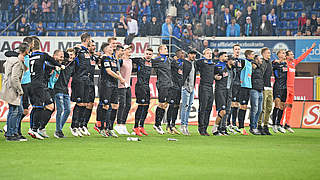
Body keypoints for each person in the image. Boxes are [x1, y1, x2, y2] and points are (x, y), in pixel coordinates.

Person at [28, 38, 63, 140]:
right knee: (43, 106)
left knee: (38, 107)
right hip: (39, 84)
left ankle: (35, 128)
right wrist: (60, 66)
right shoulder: (43, 55)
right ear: (40, 45)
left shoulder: (29, 56)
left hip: (29, 83)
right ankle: (35, 129)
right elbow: (52, 61)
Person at [281, 43, 316, 133]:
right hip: (286, 87)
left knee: (290, 106)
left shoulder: (293, 63)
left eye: (293, 54)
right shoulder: (285, 63)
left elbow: (302, 57)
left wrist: (310, 49)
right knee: (284, 105)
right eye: (291, 54)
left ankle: (287, 124)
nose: (293, 55)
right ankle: (280, 123)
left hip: (292, 87)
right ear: (287, 56)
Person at [0, 43, 28, 141]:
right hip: (13, 89)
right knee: (15, 111)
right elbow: (14, 78)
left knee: (16, 111)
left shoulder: (10, 60)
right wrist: (20, 90)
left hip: (8, 87)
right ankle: (11, 134)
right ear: (26, 51)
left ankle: (13, 132)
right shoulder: (17, 62)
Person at [97, 43, 125, 137]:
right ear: (105, 49)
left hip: (114, 85)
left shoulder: (113, 59)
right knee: (105, 106)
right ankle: (102, 129)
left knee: (115, 106)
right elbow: (109, 71)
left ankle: (110, 128)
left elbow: (117, 71)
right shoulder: (105, 58)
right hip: (106, 84)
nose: (111, 48)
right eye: (109, 47)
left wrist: (121, 79)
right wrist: (120, 78)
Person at [70, 33, 91, 137]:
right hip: (79, 79)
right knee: (79, 103)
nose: (90, 42)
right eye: (90, 40)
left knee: (85, 104)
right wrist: (75, 48)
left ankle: (78, 125)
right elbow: (70, 54)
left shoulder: (87, 51)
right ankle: (73, 126)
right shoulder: (78, 50)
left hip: (86, 79)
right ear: (86, 39)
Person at [54, 48, 75, 138]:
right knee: (60, 109)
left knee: (67, 110)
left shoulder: (72, 65)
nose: (70, 56)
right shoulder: (62, 63)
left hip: (65, 89)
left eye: (72, 54)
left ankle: (59, 129)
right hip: (58, 88)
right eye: (68, 54)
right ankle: (58, 131)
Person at [132, 48, 154, 136]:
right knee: (141, 106)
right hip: (140, 86)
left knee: (146, 106)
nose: (148, 55)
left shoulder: (152, 63)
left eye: (150, 54)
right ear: (144, 54)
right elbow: (129, 59)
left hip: (147, 86)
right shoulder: (139, 61)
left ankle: (141, 126)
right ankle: (135, 126)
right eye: (147, 53)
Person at [152, 45, 173, 134]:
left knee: (165, 105)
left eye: (167, 49)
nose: (166, 50)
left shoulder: (169, 60)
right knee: (161, 103)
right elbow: (149, 63)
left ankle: (159, 123)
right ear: (160, 51)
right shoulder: (157, 59)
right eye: (164, 49)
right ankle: (157, 124)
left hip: (169, 84)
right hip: (162, 84)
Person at [212, 52, 234, 136]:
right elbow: (212, 75)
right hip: (220, 90)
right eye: (225, 56)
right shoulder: (217, 66)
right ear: (220, 57)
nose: (227, 57)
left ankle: (222, 129)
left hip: (227, 91)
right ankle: (215, 129)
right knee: (222, 111)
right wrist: (214, 77)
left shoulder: (229, 67)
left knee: (226, 111)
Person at [196, 48, 215, 136]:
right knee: (203, 108)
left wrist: (216, 76)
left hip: (211, 87)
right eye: (207, 53)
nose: (209, 54)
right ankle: (201, 128)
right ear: (204, 55)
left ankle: (205, 128)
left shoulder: (213, 64)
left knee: (209, 108)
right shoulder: (201, 62)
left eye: (210, 53)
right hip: (203, 86)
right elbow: (195, 63)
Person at [115, 45, 133, 135]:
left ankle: (123, 124)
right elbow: (117, 71)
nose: (130, 50)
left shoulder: (130, 60)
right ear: (124, 51)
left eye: (130, 49)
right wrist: (121, 80)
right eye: (127, 49)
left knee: (128, 105)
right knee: (122, 104)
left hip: (128, 85)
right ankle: (118, 124)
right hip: (121, 85)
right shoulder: (121, 61)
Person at [166, 50, 184, 134]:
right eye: (182, 53)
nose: (183, 54)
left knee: (177, 105)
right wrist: (174, 59)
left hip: (179, 87)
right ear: (177, 55)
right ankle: (168, 125)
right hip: (173, 87)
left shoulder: (182, 64)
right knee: (171, 105)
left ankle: (173, 124)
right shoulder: (173, 63)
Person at [237, 50, 255, 135]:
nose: (253, 56)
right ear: (248, 55)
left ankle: (241, 126)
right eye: (252, 54)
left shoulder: (250, 64)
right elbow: (237, 62)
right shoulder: (244, 61)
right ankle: (240, 127)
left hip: (248, 87)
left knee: (245, 107)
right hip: (243, 87)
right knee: (242, 107)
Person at [180, 50, 196, 135]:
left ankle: (186, 125)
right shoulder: (185, 63)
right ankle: (182, 125)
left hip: (192, 88)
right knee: (185, 107)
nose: (193, 56)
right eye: (192, 54)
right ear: (188, 55)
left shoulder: (194, 64)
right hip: (186, 88)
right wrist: (183, 85)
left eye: (194, 54)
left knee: (189, 107)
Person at [257, 47, 273, 135]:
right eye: (267, 53)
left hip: (269, 87)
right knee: (262, 108)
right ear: (263, 54)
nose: (269, 54)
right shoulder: (262, 62)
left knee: (269, 108)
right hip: (263, 87)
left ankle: (266, 126)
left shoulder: (270, 63)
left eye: (269, 53)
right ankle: (259, 125)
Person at [271, 50, 288, 133]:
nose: (284, 54)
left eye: (285, 53)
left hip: (285, 87)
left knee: (282, 106)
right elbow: (271, 64)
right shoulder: (275, 63)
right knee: (277, 105)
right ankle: (273, 124)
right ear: (278, 55)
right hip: (277, 86)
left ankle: (278, 124)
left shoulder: (287, 64)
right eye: (282, 53)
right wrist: (275, 61)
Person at [227, 44, 241, 134]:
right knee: (231, 104)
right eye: (236, 49)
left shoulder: (240, 61)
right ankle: (227, 123)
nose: (237, 51)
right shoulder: (230, 60)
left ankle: (234, 123)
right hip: (232, 85)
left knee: (236, 105)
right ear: (233, 50)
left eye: (239, 49)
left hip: (238, 84)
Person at [249, 55, 264, 135]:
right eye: (260, 59)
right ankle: (252, 127)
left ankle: (254, 125)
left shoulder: (260, 68)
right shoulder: (252, 67)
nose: (261, 60)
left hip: (260, 89)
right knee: (254, 109)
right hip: (254, 89)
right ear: (256, 60)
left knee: (259, 109)